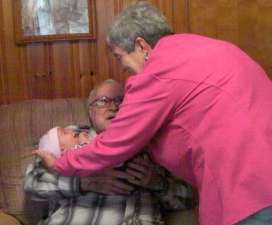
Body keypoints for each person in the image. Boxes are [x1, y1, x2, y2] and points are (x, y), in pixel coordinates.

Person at [34, 1, 272, 225]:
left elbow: (113, 146)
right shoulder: (213, 48)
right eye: (102, 101)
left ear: (141, 46)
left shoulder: (158, 72)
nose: (123, 68)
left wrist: (62, 165)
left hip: (250, 189)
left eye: (120, 57)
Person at [27, 79, 197, 225]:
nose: (113, 107)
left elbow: (188, 197)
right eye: (102, 101)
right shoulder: (68, 137)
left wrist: (157, 182)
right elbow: (33, 183)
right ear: (90, 111)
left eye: (120, 100)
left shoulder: (153, 142)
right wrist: (84, 183)